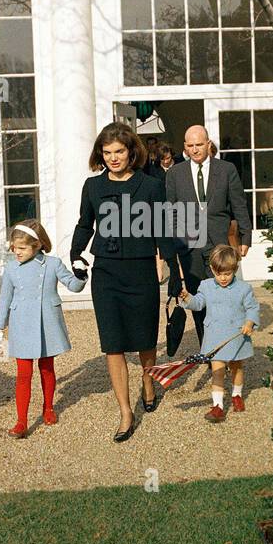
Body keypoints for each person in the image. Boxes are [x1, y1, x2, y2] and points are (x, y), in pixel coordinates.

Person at [70, 122, 176, 443]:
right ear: (100, 154)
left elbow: (164, 229)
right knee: (113, 343)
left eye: (119, 151)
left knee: (145, 339)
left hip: (141, 271)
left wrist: (169, 267)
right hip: (106, 274)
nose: (113, 158)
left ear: (132, 152)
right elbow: (85, 224)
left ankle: (147, 380)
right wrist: (76, 254)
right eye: (107, 152)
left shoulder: (152, 186)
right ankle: (126, 412)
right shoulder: (92, 187)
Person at [0, 218, 86, 438]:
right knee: (23, 374)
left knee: (46, 368)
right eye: (14, 247)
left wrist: (81, 274)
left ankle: (48, 408)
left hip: (47, 323)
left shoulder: (53, 264)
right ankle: (21, 421)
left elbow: (72, 285)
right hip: (21, 325)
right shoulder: (11, 268)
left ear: (37, 245)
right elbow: (4, 299)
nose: (16, 252)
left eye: (22, 248)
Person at [165, 124, 253, 350]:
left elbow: (239, 204)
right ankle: (209, 349)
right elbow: (171, 211)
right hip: (190, 245)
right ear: (185, 147)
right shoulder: (175, 174)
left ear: (208, 144)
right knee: (198, 300)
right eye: (190, 146)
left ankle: (227, 346)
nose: (195, 150)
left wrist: (245, 236)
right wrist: (173, 244)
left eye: (199, 145)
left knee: (224, 297)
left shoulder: (226, 170)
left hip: (219, 243)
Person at [178, 244, 259, 421]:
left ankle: (237, 395)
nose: (223, 278)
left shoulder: (244, 288)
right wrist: (187, 298)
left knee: (237, 368)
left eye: (227, 274)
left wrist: (249, 322)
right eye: (218, 273)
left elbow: (252, 307)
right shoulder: (206, 286)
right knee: (217, 371)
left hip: (236, 336)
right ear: (212, 269)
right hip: (215, 336)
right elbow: (198, 304)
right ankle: (218, 406)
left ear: (235, 269)